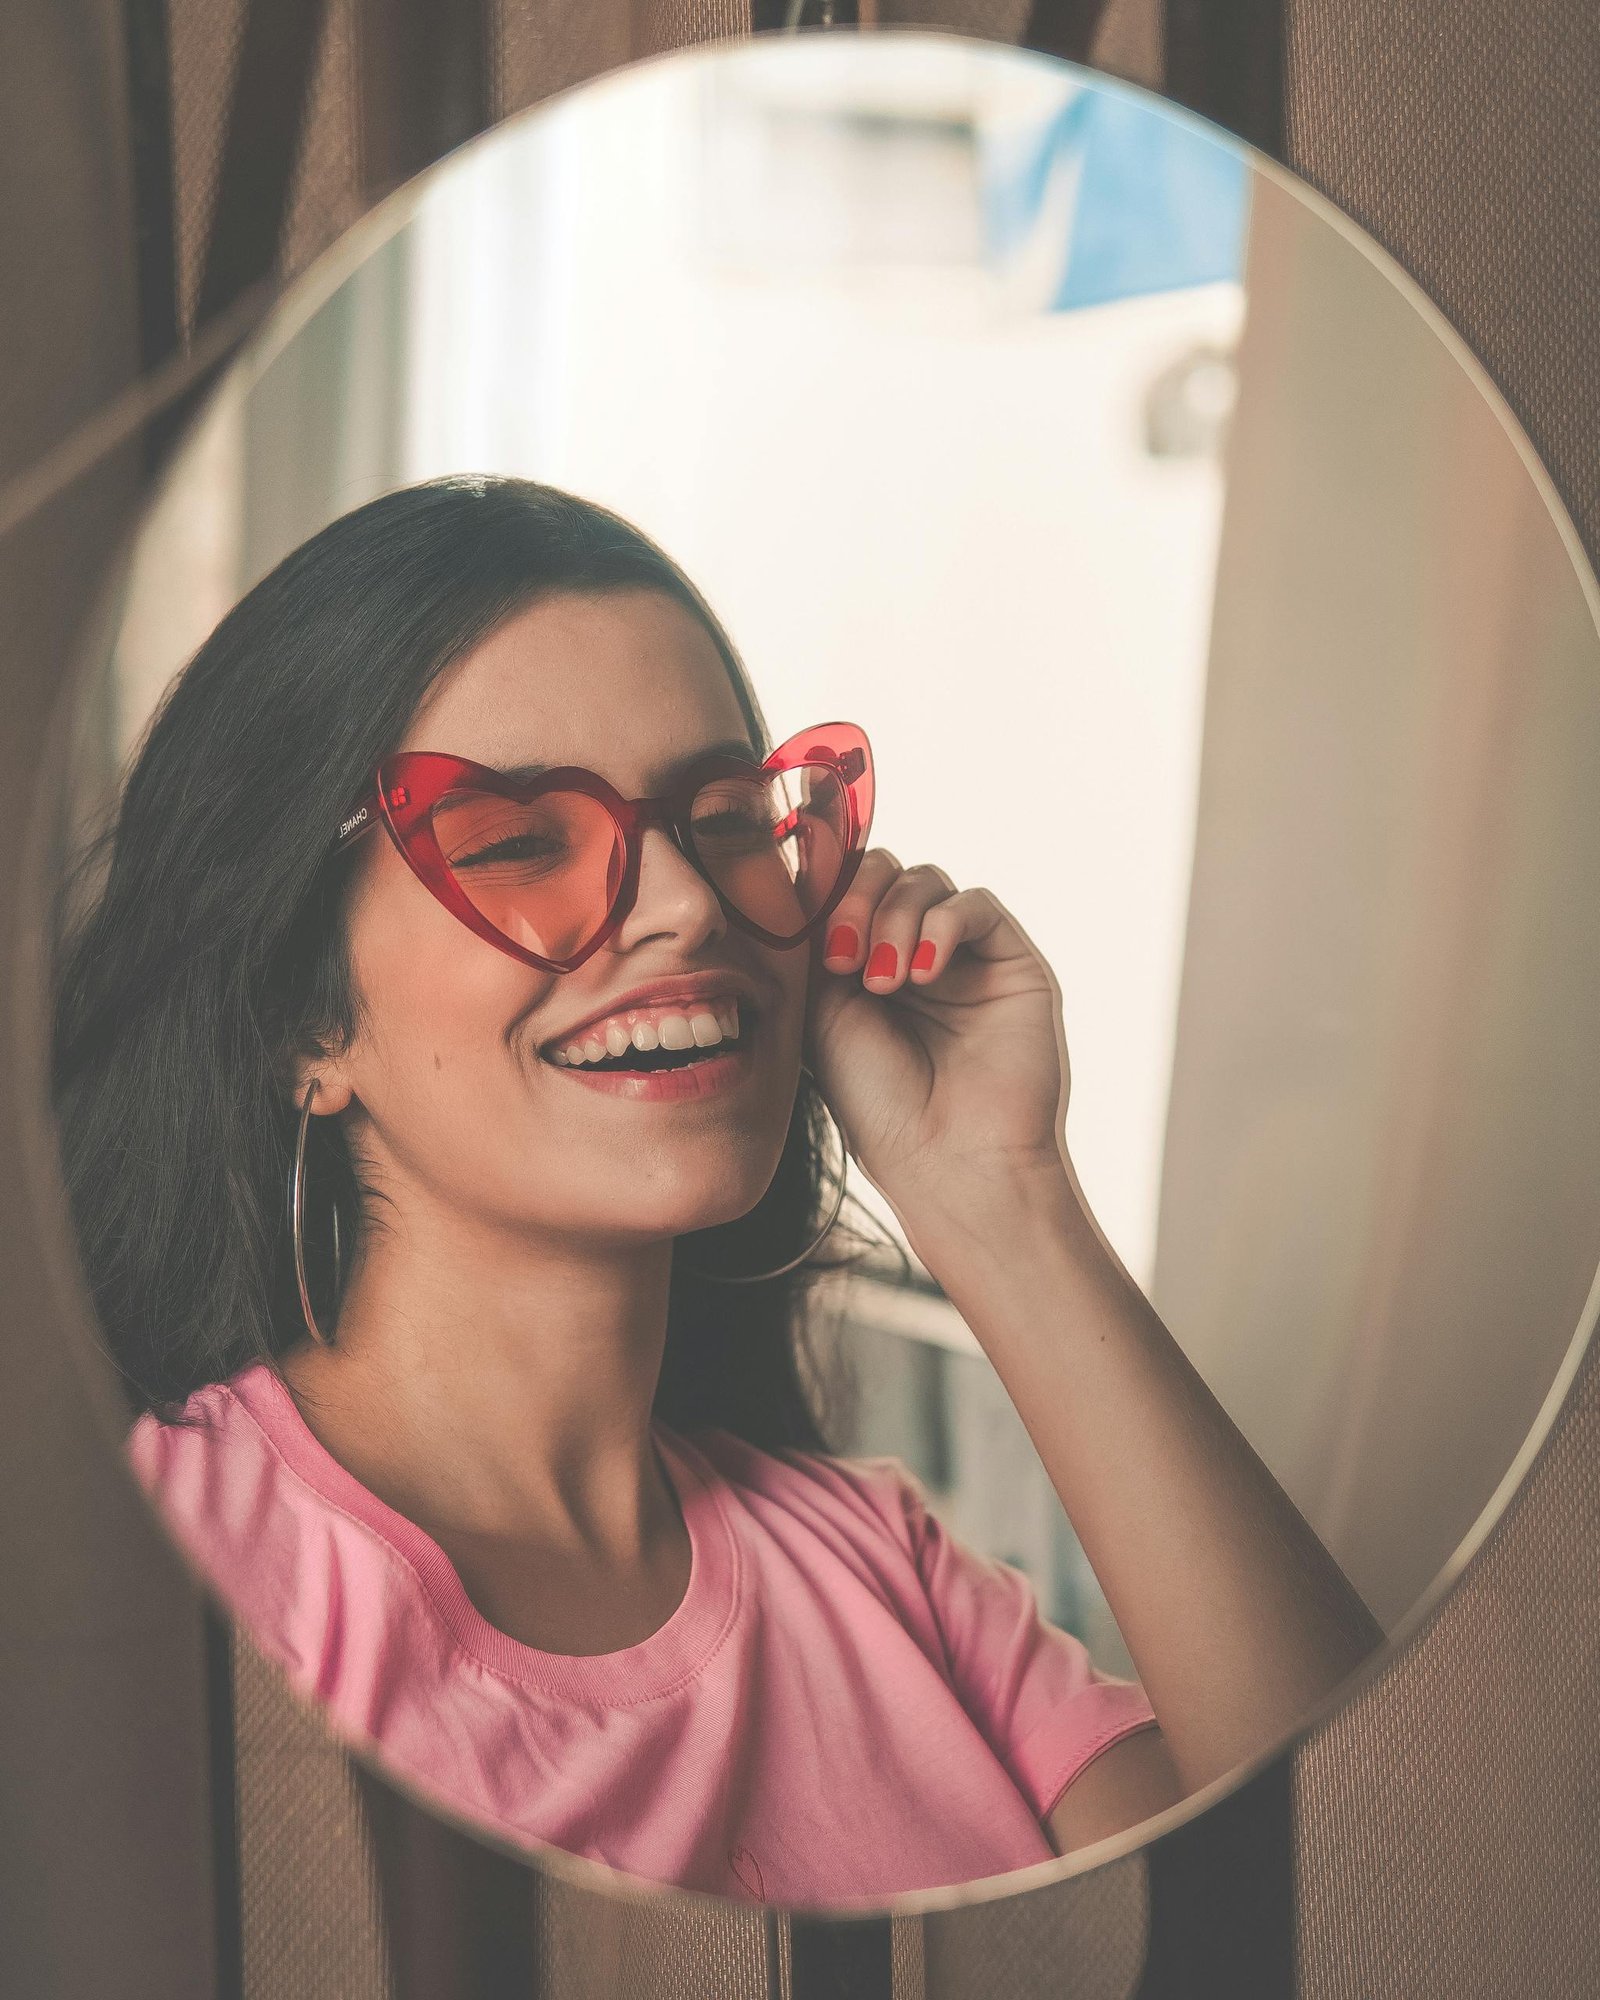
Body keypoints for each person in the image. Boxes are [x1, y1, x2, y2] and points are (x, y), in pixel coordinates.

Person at [52, 475, 1381, 1907]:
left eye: (728, 816)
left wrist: (1004, 1200)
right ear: (300, 1023)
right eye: (514, 843)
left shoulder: (887, 1569)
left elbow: (1360, 1889)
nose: (684, 902)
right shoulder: (132, 1572)